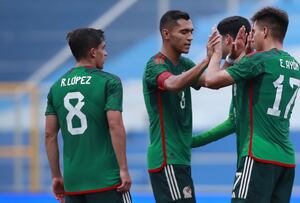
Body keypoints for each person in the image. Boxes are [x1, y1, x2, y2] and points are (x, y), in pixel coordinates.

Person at [203, 7, 300, 202]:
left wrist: (215, 53)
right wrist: (245, 55)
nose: (251, 37)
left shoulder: (259, 60)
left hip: (257, 156)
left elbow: (211, 80)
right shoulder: (294, 65)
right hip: (286, 161)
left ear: (264, 31)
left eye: (254, 31)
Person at [45, 28, 132, 203]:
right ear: (93, 52)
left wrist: (56, 176)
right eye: (103, 48)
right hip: (106, 180)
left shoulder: (56, 88)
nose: (105, 53)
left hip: (73, 183)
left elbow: (49, 135)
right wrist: (123, 169)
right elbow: (115, 125)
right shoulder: (109, 82)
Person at [142, 10, 216, 203]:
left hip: (180, 158)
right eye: (184, 32)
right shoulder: (155, 65)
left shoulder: (184, 63)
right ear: (166, 34)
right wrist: (206, 60)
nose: (190, 37)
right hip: (166, 157)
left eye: (191, 31)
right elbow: (173, 84)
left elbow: (211, 80)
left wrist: (232, 57)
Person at [191, 16, 251, 148]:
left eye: (218, 39)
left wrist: (216, 53)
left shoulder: (248, 67)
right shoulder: (243, 67)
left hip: (256, 153)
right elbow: (233, 120)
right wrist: (192, 142)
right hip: (251, 153)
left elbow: (211, 80)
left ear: (228, 39)